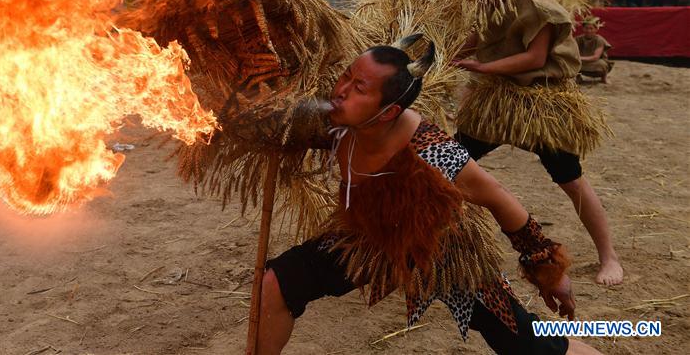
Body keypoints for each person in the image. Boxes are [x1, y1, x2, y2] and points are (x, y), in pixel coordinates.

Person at [258, 43, 602, 355]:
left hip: (441, 251)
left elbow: (499, 197)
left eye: (359, 88)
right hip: (369, 238)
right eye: (346, 76)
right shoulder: (337, 116)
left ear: (389, 112)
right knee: (278, 282)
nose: (342, 90)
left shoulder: (430, 151)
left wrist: (549, 271)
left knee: (528, 347)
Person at [451, 0, 623, 287]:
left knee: (571, 180)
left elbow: (535, 57)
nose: (480, 2)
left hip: (543, 99)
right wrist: (453, 54)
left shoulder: (534, 1)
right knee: (451, 163)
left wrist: (481, 67)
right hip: (498, 96)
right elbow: (481, 32)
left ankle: (609, 256)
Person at [576, 16, 613, 84]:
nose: (589, 31)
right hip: (581, 62)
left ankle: (604, 77)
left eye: (591, 28)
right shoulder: (578, 39)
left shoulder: (599, 40)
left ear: (596, 29)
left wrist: (579, 58)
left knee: (601, 65)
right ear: (583, 29)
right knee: (571, 63)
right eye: (586, 28)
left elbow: (595, 57)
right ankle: (578, 77)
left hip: (594, 62)